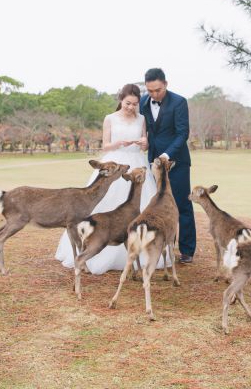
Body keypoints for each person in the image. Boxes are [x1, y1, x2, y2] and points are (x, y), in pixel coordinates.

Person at [55, 83, 167, 273]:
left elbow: (145, 145)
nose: (131, 107)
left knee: (141, 207)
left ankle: (138, 254)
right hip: (115, 163)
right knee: (103, 204)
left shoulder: (141, 119)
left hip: (136, 164)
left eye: (135, 104)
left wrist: (144, 143)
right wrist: (119, 143)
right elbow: (105, 146)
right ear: (121, 100)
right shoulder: (110, 118)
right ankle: (94, 249)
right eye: (128, 103)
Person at [140, 68, 196, 263]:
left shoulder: (179, 102)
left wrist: (166, 155)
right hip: (152, 163)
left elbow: (182, 133)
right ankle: (163, 247)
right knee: (157, 205)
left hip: (177, 162)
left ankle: (187, 250)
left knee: (181, 204)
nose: (154, 94)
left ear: (165, 84)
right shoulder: (143, 102)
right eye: (150, 91)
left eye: (158, 90)